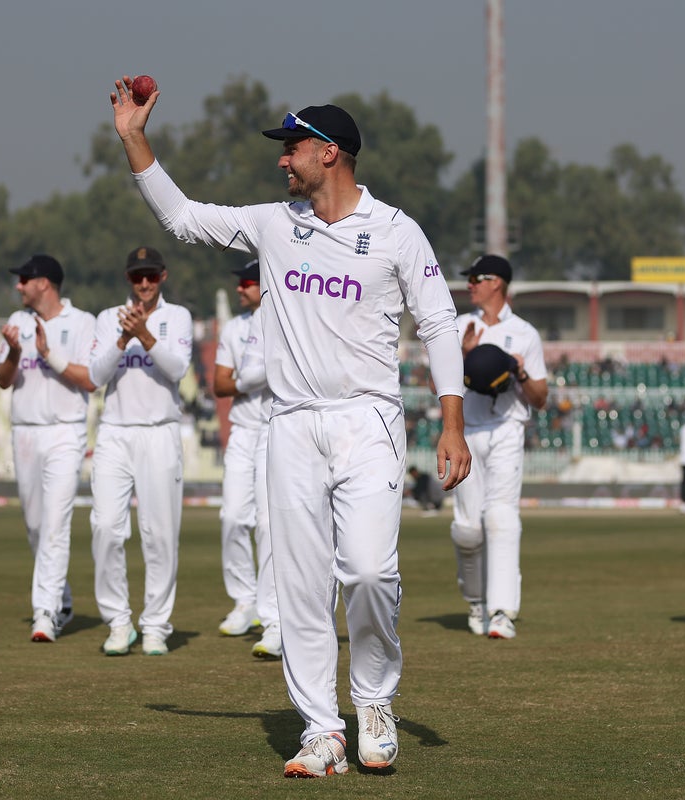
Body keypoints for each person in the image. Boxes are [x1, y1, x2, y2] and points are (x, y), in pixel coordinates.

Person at [111, 83, 471, 778]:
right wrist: (133, 137)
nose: (283, 161)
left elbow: (437, 322)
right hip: (292, 423)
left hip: (368, 419)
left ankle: (374, 701)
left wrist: (452, 424)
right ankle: (322, 729)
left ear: (329, 153)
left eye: (293, 148)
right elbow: (183, 219)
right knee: (302, 587)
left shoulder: (397, 231)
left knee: (369, 571)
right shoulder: (275, 224)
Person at [87, 246, 193, 656]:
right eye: (137, 276)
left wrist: (144, 336)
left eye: (150, 275)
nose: (144, 283)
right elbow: (96, 375)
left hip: (159, 431)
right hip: (115, 431)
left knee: (160, 534)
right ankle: (118, 622)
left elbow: (177, 369)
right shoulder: (107, 318)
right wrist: (123, 337)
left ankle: (156, 626)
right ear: (128, 279)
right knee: (106, 527)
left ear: (162, 276)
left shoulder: (177, 316)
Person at [0, 255, 96, 643]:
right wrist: (15, 352)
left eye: (24, 279)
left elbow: (90, 379)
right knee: (36, 526)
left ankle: (46, 612)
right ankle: (62, 600)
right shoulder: (17, 322)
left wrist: (49, 354)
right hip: (25, 431)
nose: (18, 285)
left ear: (44, 283)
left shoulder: (82, 322)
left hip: (65, 431)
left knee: (55, 523)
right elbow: (4, 380)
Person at [450, 254, 549, 640]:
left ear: (497, 283)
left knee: (501, 516)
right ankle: (476, 600)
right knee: (467, 529)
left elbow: (540, 398)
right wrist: (462, 355)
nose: (470, 284)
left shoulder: (525, 333)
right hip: (466, 430)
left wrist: (520, 371)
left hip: (508, 427)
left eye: (477, 278)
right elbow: (436, 384)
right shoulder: (459, 326)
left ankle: (502, 611)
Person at [212, 260, 282, 659]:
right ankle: (245, 601)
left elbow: (272, 371)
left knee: (269, 524)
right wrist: (252, 378)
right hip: (243, 429)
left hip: (275, 427)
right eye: (238, 283)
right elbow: (220, 384)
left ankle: (273, 619)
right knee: (233, 517)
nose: (241, 288)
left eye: (248, 282)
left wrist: (243, 379)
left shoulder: (283, 313)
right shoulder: (235, 328)